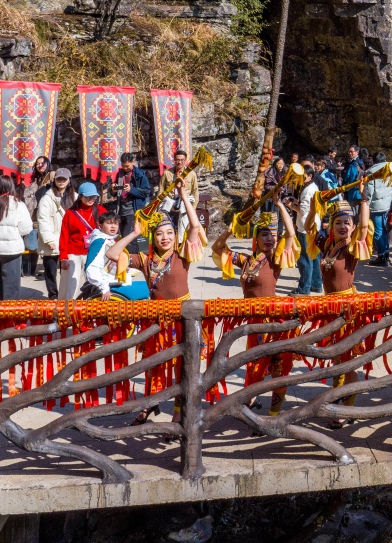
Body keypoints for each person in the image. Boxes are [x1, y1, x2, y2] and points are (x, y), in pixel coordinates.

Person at [120, 181, 206, 424]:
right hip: (157, 320)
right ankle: (148, 405)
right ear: (153, 237)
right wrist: (135, 233)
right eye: (159, 233)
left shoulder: (182, 255)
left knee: (182, 366)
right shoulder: (146, 261)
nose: (165, 237)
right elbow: (113, 255)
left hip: (183, 318)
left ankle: (177, 415)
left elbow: (195, 225)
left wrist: (183, 195)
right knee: (154, 363)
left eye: (169, 233)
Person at [212, 197, 300, 415]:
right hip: (254, 320)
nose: (270, 239)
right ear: (256, 237)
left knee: (279, 367)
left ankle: (273, 414)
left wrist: (280, 206)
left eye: (273, 234)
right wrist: (232, 228)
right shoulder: (245, 261)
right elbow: (217, 247)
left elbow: (290, 235)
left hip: (275, 319)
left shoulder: (276, 259)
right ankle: (250, 403)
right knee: (254, 365)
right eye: (264, 234)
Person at [317, 197, 373, 427]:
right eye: (338, 222)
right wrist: (310, 206)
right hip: (329, 307)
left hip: (346, 308)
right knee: (338, 358)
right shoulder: (328, 246)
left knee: (347, 360)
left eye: (347, 222)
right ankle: (340, 403)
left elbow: (363, 230)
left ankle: (344, 409)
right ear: (331, 225)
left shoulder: (351, 247)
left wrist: (365, 202)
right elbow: (308, 225)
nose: (343, 226)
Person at [81, 211, 148, 301]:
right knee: (148, 288)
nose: (113, 226)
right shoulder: (100, 241)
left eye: (116, 223)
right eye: (109, 223)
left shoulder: (109, 240)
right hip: (108, 285)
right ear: (100, 226)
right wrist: (104, 288)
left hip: (113, 281)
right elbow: (91, 268)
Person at [58, 181, 102, 300]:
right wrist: (63, 257)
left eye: (94, 196)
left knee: (96, 285)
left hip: (94, 253)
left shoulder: (101, 211)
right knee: (70, 286)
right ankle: (65, 311)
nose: (91, 199)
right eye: (88, 196)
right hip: (74, 253)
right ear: (80, 196)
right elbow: (64, 236)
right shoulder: (70, 213)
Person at [36, 169, 70, 299]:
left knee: (66, 270)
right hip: (52, 238)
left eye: (64, 179)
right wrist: (49, 239)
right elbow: (42, 220)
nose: (61, 182)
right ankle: (53, 294)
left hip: (67, 239)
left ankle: (64, 293)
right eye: (59, 179)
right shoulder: (47, 198)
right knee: (50, 269)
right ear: (54, 180)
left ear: (69, 180)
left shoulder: (74, 196)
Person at [363, 151, 392, 267]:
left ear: (374, 160)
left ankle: (382, 256)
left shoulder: (371, 171)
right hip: (387, 202)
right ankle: (385, 253)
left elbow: (369, 191)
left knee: (378, 230)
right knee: (383, 228)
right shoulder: (390, 168)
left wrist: (365, 203)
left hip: (376, 204)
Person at [294, 162, 323, 295]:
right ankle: (316, 284)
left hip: (305, 227)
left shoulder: (307, 190)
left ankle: (304, 288)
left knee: (305, 259)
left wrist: (291, 206)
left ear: (310, 176)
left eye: (302, 176)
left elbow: (303, 211)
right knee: (315, 257)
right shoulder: (313, 187)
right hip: (314, 226)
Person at [115, 152, 151, 248]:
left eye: (127, 166)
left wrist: (132, 190)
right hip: (121, 209)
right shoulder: (120, 174)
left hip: (134, 209)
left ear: (133, 162)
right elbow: (115, 192)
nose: (125, 168)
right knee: (123, 235)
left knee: (129, 236)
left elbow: (146, 192)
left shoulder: (140, 175)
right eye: (123, 166)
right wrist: (113, 189)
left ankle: (136, 257)